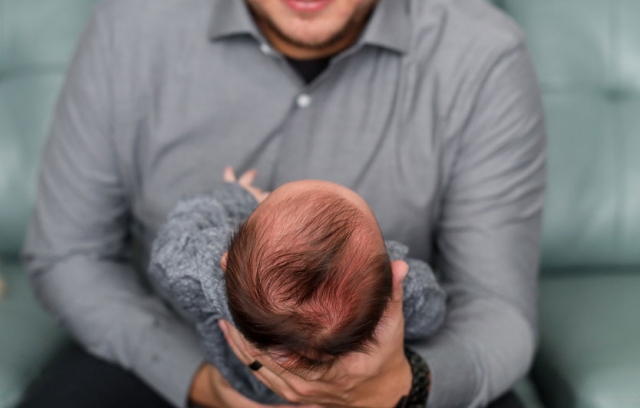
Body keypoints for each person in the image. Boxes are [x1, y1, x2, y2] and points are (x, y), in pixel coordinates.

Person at [21, 0, 546, 407]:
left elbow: (496, 310)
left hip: (399, 373)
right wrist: (202, 382)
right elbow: (70, 255)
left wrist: (400, 388)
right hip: (175, 351)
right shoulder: (128, 30)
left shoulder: (484, 57)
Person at [148, 172, 447, 404]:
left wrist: (236, 196)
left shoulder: (205, 268)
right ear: (390, 272)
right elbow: (432, 314)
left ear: (226, 260)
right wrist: (407, 282)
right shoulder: (393, 293)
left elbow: (168, 250)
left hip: (241, 387)